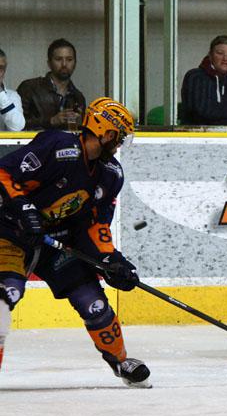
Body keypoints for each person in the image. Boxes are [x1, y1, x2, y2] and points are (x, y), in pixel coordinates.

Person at [0, 97, 150, 388]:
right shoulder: (56, 146)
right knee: (7, 294)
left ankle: (121, 361)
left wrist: (111, 260)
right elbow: (3, 172)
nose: (119, 145)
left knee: (93, 303)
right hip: (9, 231)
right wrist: (25, 210)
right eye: (118, 138)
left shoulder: (110, 175)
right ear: (105, 132)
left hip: (55, 242)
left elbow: (96, 224)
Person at [180, 35, 227, 125]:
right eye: (220, 53)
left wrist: (216, 117)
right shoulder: (195, 77)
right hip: (196, 134)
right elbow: (200, 114)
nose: (225, 58)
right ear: (210, 55)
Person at [17, 38, 86, 131]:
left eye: (69, 59)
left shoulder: (78, 97)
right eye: (58, 59)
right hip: (36, 140)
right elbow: (16, 125)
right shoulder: (29, 88)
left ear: (75, 63)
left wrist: (80, 124)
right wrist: (51, 121)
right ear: (49, 63)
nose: (64, 64)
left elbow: (82, 133)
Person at [0, 49, 25, 131]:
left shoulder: (12, 96)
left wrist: (1, 94)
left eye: (0, 68)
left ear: (5, 70)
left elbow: (17, 127)